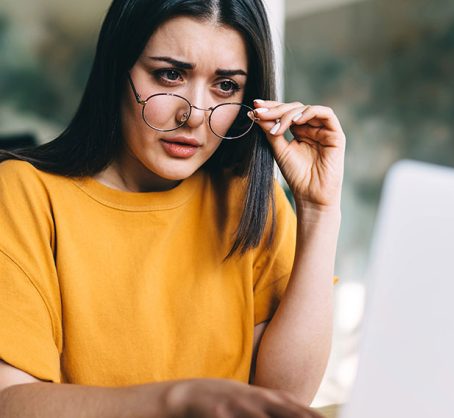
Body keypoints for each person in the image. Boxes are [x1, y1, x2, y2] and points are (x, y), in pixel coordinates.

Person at [0, 0, 345, 416]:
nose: (195, 115)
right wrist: (175, 401)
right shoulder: (24, 195)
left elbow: (284, 399)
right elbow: (11, 401)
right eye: (170, 75)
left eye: (226, 86)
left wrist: (318, 209)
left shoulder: (250, 202)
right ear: (118, 68)